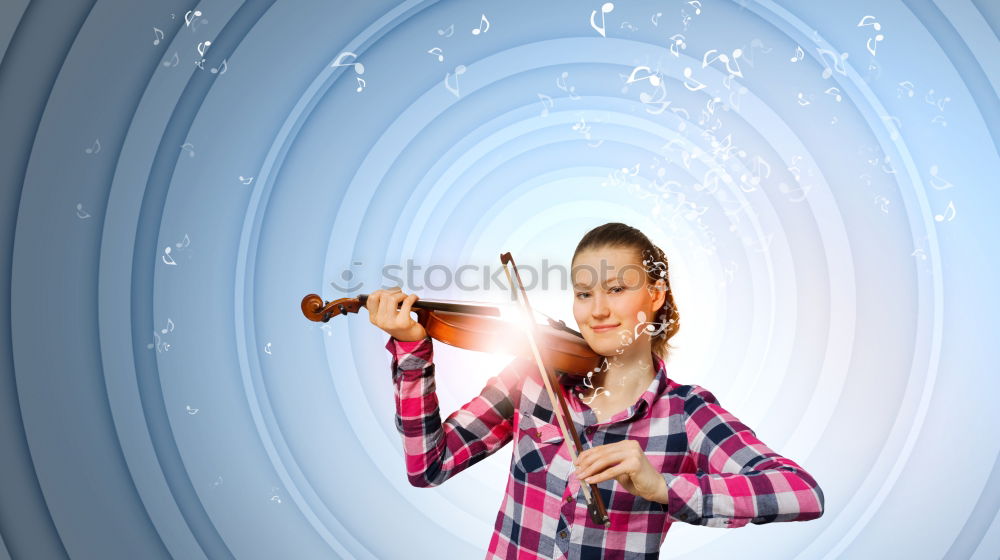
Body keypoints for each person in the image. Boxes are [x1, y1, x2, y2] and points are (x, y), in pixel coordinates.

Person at [366, 222, 824, 559]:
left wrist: (661, 486)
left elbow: (802, 494)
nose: (598, 310)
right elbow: (428, 467)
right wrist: (412, 350)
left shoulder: (686, 413)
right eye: (584, 294)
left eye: (617, 289)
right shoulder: (533, 376)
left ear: (655, 294)